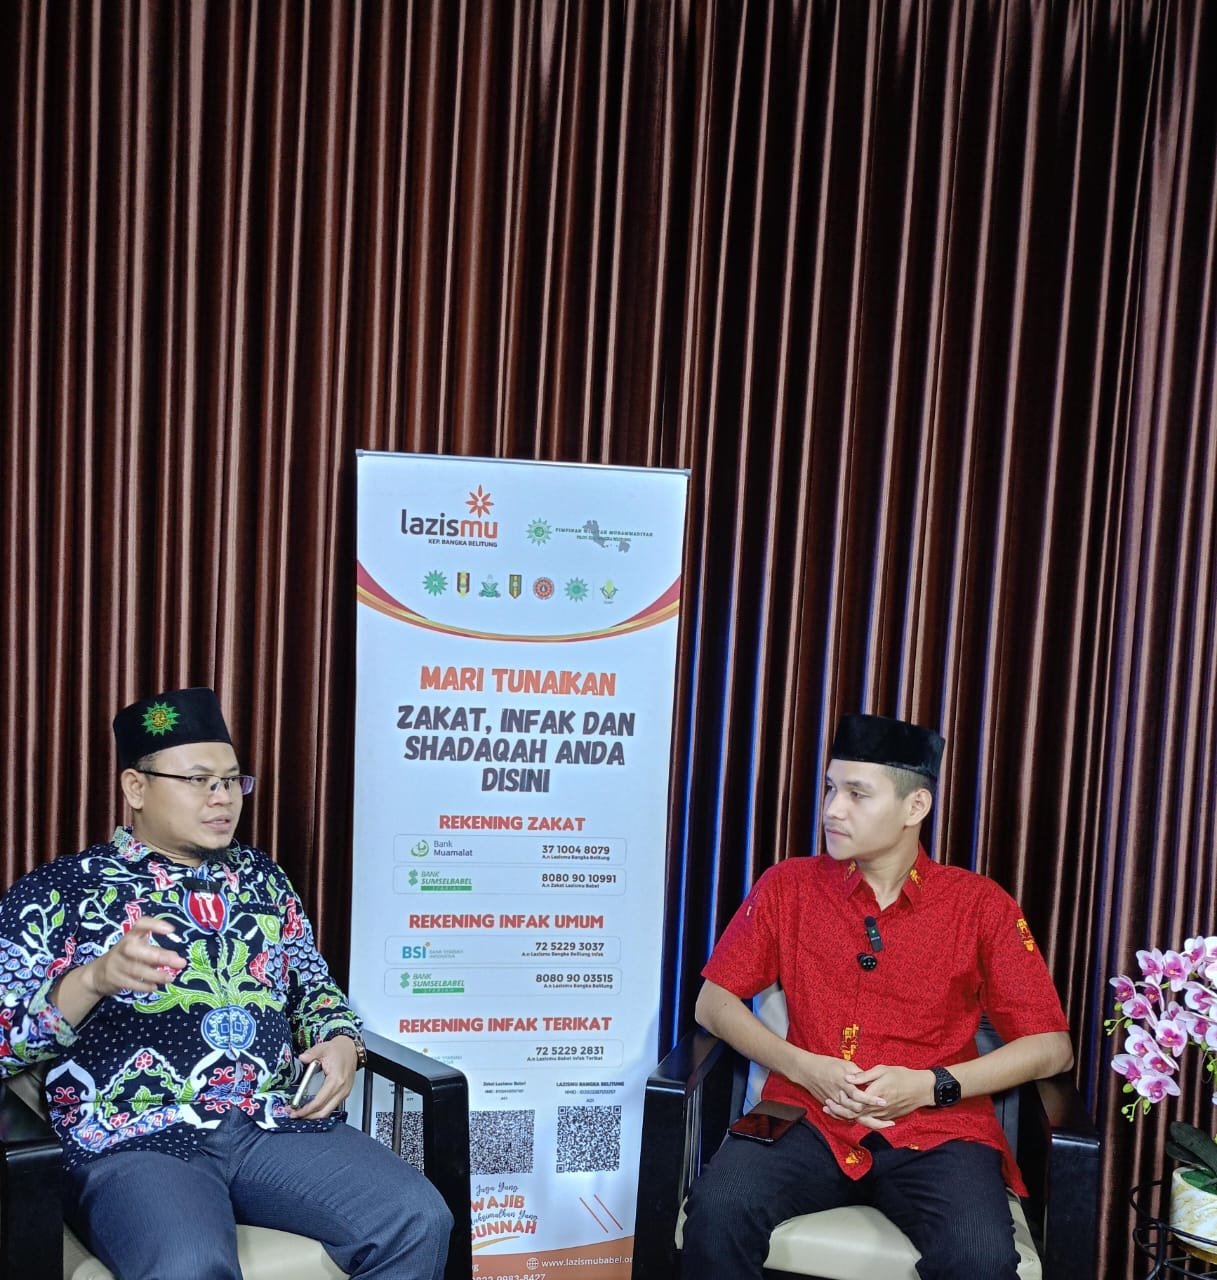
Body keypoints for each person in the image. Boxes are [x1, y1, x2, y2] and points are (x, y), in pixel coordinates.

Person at [0, 687, 452, 1280]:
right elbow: (5, 1042)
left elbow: (315, 992)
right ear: (136, 788)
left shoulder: (264, 880)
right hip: (136, 1136)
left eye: (232, 781)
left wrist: (343, 1040)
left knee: (417, 1217)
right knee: (187, 1263)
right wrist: (93, 979)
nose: (222, 798)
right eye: (198, 781)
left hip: (272, 1123)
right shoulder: (60, 890)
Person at [681, 713, 1074, 1280]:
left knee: (979, 1256)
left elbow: (1051, 1046)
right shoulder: (789, 886)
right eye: (830, 788)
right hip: (804, 1114)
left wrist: (931, 1085)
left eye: (857, 794)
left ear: (916, 807)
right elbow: (713, 1002)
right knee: (718, 1210)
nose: (832, 809)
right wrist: (805, 1067)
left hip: (939, 1129)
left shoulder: (980, 905)